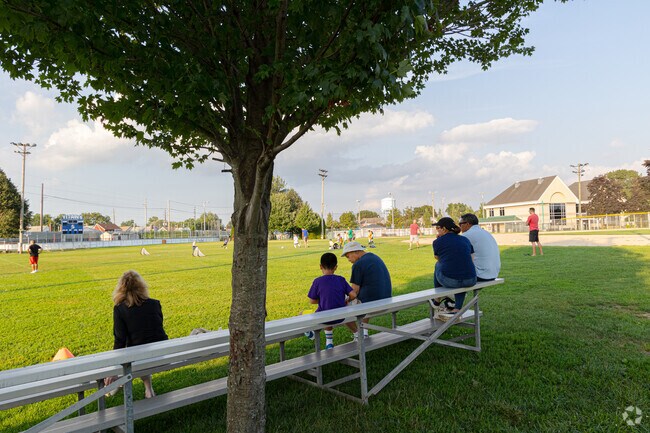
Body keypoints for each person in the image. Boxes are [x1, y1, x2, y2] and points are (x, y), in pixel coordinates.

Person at [105, 270, 168, 399]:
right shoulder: (155, 304)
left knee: (137, 353)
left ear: (121, 289)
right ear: (141, 286)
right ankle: (148, 390)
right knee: (143, 349)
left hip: (139, 358)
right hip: (162, 354)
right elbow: (157, 330)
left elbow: (120, 341)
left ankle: (117, 384)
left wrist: (114, 368)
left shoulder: (120, 309)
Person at [306, 253, 358, 349]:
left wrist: (324, 299)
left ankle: (319, 336)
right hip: (340, 317)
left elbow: (312, 301)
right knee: (329, 309)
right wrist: (346, 300)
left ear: (320, 266)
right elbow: (353, 295)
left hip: (324, 318)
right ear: (336, 267)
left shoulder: (317, 281)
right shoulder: (341, 280)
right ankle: (328, 342)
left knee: (303, 313)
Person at [341, 241, 392, 338]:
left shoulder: (358, 265)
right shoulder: (375, 257)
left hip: (373, 304)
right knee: (364, 296)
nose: (348, 259)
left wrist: (345, 300)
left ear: (355, 251)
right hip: (387, 299)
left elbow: (354, 292)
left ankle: (358, 334)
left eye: (348, 256)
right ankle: (364, 332)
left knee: (339, 309)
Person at [431, 217, 477, 316]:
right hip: (471, 279)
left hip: (450, 280)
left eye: (438, 227)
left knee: (438, 265)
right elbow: (472, 258)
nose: (437, 230)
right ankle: (457, 308)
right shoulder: (465, 239)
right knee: (461, 269)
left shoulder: (437, 241)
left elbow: (438, 258)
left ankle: (437, 299)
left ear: (444, 229)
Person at [458, 213, 500, 281]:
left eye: (460, 224)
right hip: (494, 273)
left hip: (480, 275)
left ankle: (440, 290)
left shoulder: (466, 235)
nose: (459, 227)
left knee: (441, 266)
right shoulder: (486, 233)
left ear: (467, 224)